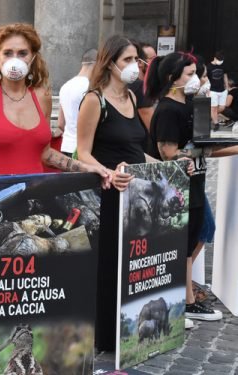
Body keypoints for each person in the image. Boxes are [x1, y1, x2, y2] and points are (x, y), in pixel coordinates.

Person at [76, 35, 173, 351]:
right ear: (110, 63)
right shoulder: (94, 100)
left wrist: (166, 168)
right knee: (108, 266)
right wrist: (106, 172)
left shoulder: (132, 98)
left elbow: (134, 152)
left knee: (132, 266)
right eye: (128, 60)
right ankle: (104, 336)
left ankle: (124, 331)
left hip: (136, 198)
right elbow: (83, 153)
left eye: (137, 60)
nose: (135, 66)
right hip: (109, 195)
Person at [0, 23, 110, 202]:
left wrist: (86, 167)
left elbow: (45, 153)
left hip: (35, 196)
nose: (14, 59)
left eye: (22, 53)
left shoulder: (43, 97)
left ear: (32, 57)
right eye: (8, 53)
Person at [146, 52, 238, 324]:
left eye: (197, 73)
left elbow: (205, 148)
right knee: (186, 243)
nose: (196, 79)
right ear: (172, 78)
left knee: (199, 234)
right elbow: (168, 154)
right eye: (189, 74)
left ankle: (184, 295)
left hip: (194, 182)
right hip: (176, 189)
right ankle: (183, 298)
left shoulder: (190, 105)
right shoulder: (167, 110)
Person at [58, 48, 97, 157]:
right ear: (97, 65)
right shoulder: (90, 88)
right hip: (84, 149)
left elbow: (61, 123)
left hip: (66, 146)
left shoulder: (65, 86)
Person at [128, 41, 157, 130]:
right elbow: (153, 127)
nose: (156, 62)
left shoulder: (147, 85)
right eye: (152, 59)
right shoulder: (138, 86)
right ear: (140, 62)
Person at [207, 51, 229, 129]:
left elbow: (225, 76)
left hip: (222, 90)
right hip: (212, 90)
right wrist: (207, 89)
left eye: (221, 61)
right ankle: (216, 124)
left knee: (222, 107)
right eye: (219, 60)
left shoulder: (223, 65)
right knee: (214, 107)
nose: (220, 62)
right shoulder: (209, 66)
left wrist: (227, 86)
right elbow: (206, 79)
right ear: (215, 58)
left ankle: (210, 116)